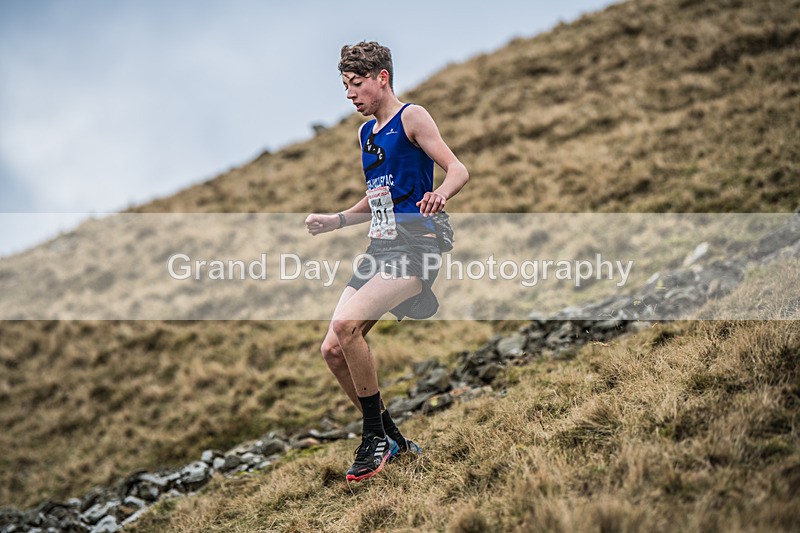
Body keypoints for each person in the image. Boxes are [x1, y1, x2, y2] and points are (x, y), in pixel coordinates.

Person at [304, 41, 469, 482]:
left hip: (417, 247)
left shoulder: (411, 116)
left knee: (346, 327)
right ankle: (392, 440)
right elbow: (378, 198)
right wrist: (336, 220)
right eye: (344, 87)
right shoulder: (365, 134)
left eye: (356, 85)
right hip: (379, 248)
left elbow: (457, 169)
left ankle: (373, 437)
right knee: (332, 349)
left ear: (382, 78)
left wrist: (441, 193)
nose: (350, 95)